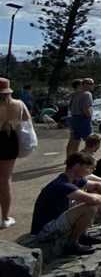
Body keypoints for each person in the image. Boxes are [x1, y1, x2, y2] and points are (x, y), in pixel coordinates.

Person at [30, 152, 101, 255]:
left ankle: (82, 235)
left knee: (93, 197)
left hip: (57, 219)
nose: (91, 171)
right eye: (88, 168)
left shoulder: (74, 179)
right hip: (45, 230)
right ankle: (72, 244)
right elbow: (92, 200)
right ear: (77, 166)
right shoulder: (63, 184)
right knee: (90, 207)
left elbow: (98, 185)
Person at [0, 77, 32, 229]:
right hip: (9, 140)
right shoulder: (18, 104)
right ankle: (5, 218)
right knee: (5, 179)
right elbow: (26, 119)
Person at [66, 78, 94, 156]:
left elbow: (70, 107)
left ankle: (73, 158)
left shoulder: (74, 94)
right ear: (84, 84)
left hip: (74, 118)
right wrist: (89, 116)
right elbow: (85, 108)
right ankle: (88, 158)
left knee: (75, 140)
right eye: (90, 83)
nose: (92, 85)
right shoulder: (87, 94)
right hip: (83, 118)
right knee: (90, 141)